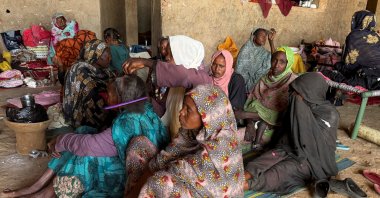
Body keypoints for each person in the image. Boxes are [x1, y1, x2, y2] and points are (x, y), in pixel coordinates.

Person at [1, 75, 169, 197]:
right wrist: (65, 141)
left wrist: (60, 141)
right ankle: (38, 186)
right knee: (83, 132)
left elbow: (88, 146)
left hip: (133, 177)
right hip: (139, 163)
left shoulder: (126, 122)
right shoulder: (144, 107)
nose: (105, 96)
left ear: (120, 98)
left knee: (84, 156)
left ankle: (45, 193)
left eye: (109, 93)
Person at [139, 84, 244, 197]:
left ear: (207, 116)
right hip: (192, 186)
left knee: (161, 182)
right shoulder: (192, 131)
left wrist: (151, 176)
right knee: (140, 144)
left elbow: (177, 169)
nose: (181, 112)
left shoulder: (223, 145)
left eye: (188, 110)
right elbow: (166, 156)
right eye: (183, 106)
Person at [244, 72, 339, 195]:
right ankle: (241, 177)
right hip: (288, 148)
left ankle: (242, 185)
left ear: (311, 94)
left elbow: (314, 148)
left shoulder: (329, 115)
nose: (294, 96)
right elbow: (285, 137)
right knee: (262, 161)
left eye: (298, 93)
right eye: (293, 91)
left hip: (312, 160)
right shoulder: (295, 105)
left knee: (278, 173)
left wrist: (300, 109)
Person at [124, 47, 246, 134]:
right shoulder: (208, 77)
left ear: (229, 65)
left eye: (221, 66)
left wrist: (147, 62)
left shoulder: (234, 80)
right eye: (214, 64)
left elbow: (185, 75)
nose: (216, 69)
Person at [238, 46, 297, 149]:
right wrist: (249, 124)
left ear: (288, 64)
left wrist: (246, 114)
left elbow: (284, 114)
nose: (276, 65)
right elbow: (252, 100)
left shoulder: (292, 82)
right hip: (258, 118)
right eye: (274, 60)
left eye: (282, 62)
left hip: (276, 125)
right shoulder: (266, 77)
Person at [63, 39, 114, 130]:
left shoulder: (105, 70)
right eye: (107, 54)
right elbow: (92, 95)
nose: (110, 57)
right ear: (96, 54)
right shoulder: (80, 70)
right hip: (83, 116)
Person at [322, 10, 380, 90]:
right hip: (377, 80)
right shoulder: (377, 36)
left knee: (326, 73)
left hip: (364, 79)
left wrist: (336, 64)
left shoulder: (354, 36)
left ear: (358, 21)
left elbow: (349, 66)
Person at [235, 28, 276, 92]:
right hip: (244, 85)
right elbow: (239, 72)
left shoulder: (262, 51)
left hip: (257, 83)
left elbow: (275, 58)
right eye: (262, 36)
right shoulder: (246, 49)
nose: (264, 38)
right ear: (254, 37)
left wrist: (271, 42)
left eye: (265, 36)